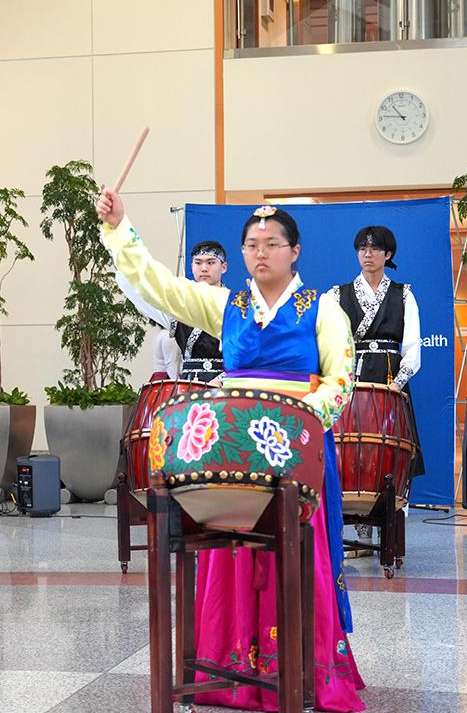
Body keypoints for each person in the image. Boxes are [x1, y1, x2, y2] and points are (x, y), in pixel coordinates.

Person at [97, 191, 364, 712]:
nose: (260, 253)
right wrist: (119, 227)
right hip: (235, 456)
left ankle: (303, 671)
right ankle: (234, 668)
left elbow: (340, 381)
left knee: (299, 556)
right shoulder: (228, 306)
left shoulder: (323, 308)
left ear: (295, 251)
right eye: (251, 245)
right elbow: (160, 284)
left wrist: (296, 424)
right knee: (231, 551)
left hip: (294, 453)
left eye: (272, 244)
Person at [327, 225, 424, 480]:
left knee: (393, 445)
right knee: (350, 444)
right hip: (352, 377)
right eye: (362, 249)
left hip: (390, 376)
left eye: (374, 249)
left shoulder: (404, 295)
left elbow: (412, 348)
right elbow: (329, 344)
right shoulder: (337, 295)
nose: (367, 254)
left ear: (388, 254)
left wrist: (398, 384)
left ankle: (393, 501)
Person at [116, 240, 228, 383]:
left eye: (211, 262)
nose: (204, 268)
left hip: (228, 388)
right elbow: (138, 289)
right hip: (190, 386)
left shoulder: (236, 306)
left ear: (223, 267)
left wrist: (220, 381)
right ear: (192, 267)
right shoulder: (180, 304)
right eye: (198, 263)